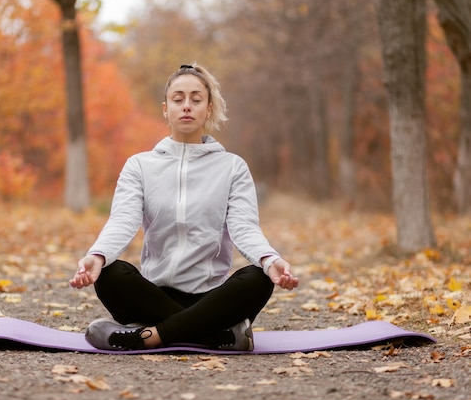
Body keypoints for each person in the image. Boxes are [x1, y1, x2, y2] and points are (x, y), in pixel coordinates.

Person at [69, 63, 299, 351]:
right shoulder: (140, 166)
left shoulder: (232, 167)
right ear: (166, 109)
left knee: (258, 278)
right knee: (111, 274)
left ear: (209, 108)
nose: (186, 106)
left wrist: (269, 260)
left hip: (213, 299)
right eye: (178, 99)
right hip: (152, 296)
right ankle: (219, 335)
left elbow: (244, 227)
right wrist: (97, 256)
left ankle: (148, 336)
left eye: (196, 99)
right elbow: (123, 220)